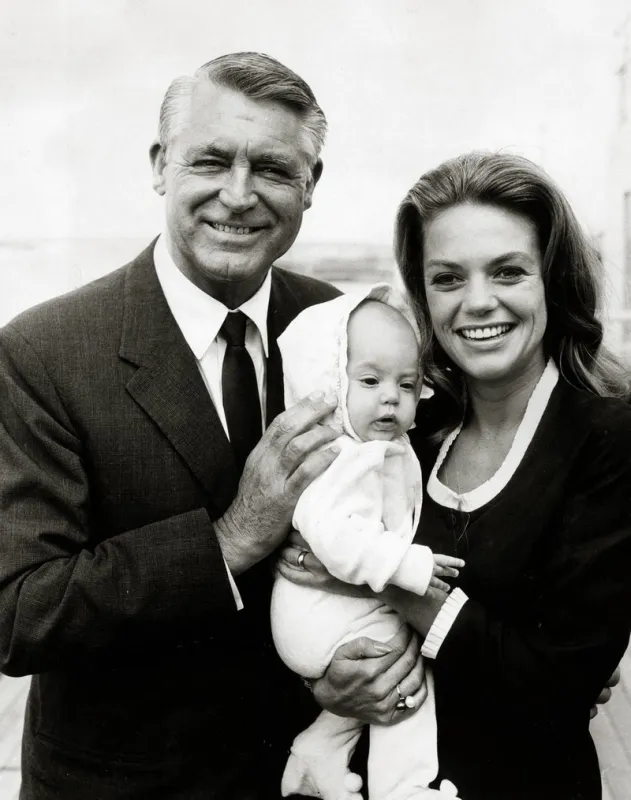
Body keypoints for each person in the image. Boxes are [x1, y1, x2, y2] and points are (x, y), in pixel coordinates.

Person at [0, 53, 427, 800]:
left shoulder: (346, 327)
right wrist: (230, 538)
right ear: (161, 166)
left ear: (310, 185)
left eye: (271, 167)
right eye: (210, 161)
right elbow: (18, 613)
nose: (238, 195)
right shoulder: (43, 352)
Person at [278, 151, 631, 799]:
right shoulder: (414, 427)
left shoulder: (606, 438)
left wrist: (390, 583)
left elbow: (561, 682)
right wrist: (327, 682)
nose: (477, 302)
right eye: (446, 278)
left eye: (507, 272)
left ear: (551, 277)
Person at [271, 286, 464, 800]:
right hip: (321, 615)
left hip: (326, 614)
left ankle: (318, 757)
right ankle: (406, 789)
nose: (391, 398)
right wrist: (406, 565)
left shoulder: (381, 447)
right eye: (371, 381)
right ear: (331, 384)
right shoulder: (344, 456)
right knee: (408, 683)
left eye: (407, 384)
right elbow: (332, 533)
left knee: (383, 677)